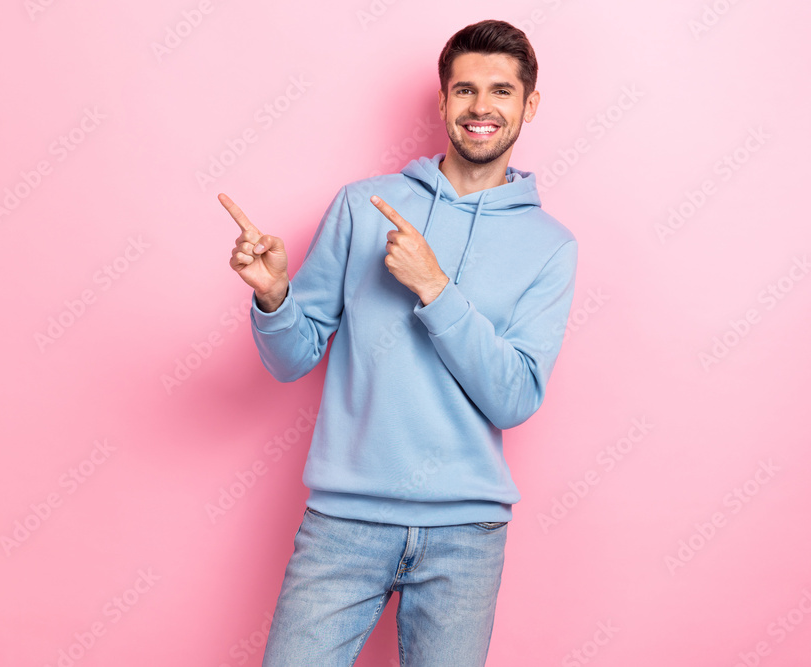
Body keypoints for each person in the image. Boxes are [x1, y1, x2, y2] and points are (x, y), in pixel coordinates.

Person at [221, 18, 578, 667]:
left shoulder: (550, 245)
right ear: (443, 101)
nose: (480, 107)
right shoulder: (364, 206)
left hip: (466, 536)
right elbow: (292, 357)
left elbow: (515, 397)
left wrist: (435, 289)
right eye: (465, 90)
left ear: (529, 104)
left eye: (501, 90)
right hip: (343, 522)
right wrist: (274, 296)